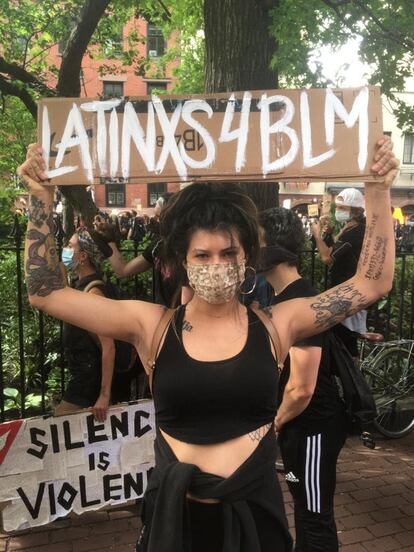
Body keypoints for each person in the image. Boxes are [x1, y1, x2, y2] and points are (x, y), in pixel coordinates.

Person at [19, 136, 397, 551]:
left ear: (247, 256)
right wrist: (40, 198)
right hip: (177, 524)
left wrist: (377, 191)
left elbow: (371, 282)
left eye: (228, 253)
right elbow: (45, 292)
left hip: (255, 520)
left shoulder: (277, 325)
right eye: (202, 255)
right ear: (183, 259)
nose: (217, 265)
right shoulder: (152, 327)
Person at [259, 207, 347, 552]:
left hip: (312, 430)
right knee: (303, 503)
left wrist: (275, 422)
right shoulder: (285, 296)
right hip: (302, 431)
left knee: (313, 512)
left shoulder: (299, 301)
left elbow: (301, 388)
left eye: (257, 242)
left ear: (274, 250)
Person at [56, 228, 115, 422]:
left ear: (82, 256)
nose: (65, 250)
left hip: (88, 380)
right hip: (81, 374)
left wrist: (103, 395)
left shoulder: (94, 292)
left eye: (70, 246)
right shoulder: (81, 284)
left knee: (60, 421)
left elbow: (108, 346)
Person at [92, 192, 180, 307]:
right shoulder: (158, 246)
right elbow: (123, 271)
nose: (153, 219)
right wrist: (109, 241)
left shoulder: (190, 246)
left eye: (158, 217)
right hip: (166, 315)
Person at [311, 188, 367, 357]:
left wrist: (317, 234)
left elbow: (327, 258)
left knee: (346, 342)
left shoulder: (358, 232)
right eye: (338, 207)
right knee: (339, 340)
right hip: (342, 289)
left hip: (351, 292)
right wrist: (327, 233)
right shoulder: (348, 229)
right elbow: (332, 248)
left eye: (343, 208)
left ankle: (353, 380)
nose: (338, 211)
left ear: (356, 211)